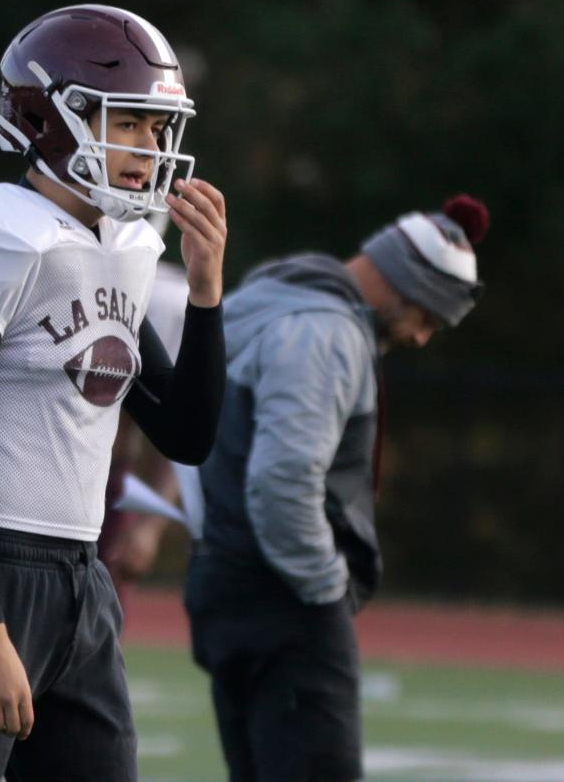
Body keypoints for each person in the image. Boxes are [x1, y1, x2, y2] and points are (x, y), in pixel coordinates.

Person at [0, 3, 227, 782]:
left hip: (81, 574)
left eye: (156, 126)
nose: (150, 147)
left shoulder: (123, 246)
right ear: (53, 119)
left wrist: (205, 295)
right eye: (129, 122)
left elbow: (188, 433)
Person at [185, 195, 490, 782]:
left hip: (223, 577)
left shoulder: (267, 298)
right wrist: (324, 589)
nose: (423, 338)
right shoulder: (324, 332)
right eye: (428, 316)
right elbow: (282, 480)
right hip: (282, 599)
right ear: (405, 280)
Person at [99, 258, 190, 608]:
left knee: (94, 636)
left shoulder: (167, 297)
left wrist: (151, 524)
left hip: (111, 483)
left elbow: (181, 429)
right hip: (35, 479)